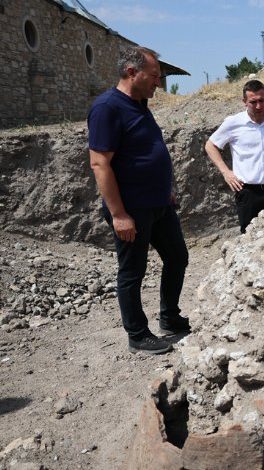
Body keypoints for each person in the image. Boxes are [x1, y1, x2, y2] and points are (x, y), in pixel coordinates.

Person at [88, 46, 189, 355]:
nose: (159, 82)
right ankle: (138, 334)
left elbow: (145, 150)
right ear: (132, 72)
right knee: (133, 271)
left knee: (177, 257)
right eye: (154, 76)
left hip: (159, 203)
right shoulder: (107, 108)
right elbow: (100, 163)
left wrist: (165, 188)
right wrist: (119, 214)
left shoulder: (140, 104)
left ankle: (169, 317)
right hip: (132, 207)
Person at [205, 80, 264, 234]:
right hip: (247, 192)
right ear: (244, 102)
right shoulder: (233, 123)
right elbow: (210, 145)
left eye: (262, 100)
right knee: (249, 237)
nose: (259, 106)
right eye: (253, 102)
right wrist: (226, 172)